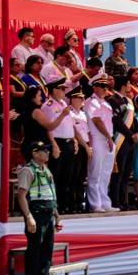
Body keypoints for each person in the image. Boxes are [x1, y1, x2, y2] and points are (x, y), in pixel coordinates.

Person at [15, 140, 62, 275]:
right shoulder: (28, 171)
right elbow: (21, 195)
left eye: (47, 151)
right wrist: (29, 217)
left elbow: (50, 192)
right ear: (34, 153)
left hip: (48, 214)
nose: (47, 153)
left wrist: (56, 214)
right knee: (34, 251)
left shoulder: (46, 170)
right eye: (44, 151)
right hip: (36, 214)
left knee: (46, 251)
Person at [41, 79, 77, 213]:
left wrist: (74, 139)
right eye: (61, 89)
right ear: (54, 90)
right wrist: (54, 145)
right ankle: (54, 206)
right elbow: (48, 127)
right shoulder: (48, 106)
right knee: (56, 175)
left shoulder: (63, 103)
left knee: (67, 175)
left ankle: (65, 205)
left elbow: (69, 124)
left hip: (68, 142)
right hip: (57, 142)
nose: (64, 91)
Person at [85, 77, 117, 213]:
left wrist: (110, 139)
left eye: (106, 86)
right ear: (94, 87)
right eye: (101, 86)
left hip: (107, 139)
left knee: (105, 174)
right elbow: (97, 121)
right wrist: (109, 138)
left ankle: (105, 202)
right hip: (98, 138)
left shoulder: (106, 103)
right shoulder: (91, 102)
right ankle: (95, 203)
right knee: (95, 172)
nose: (105, 89)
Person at [108, 78, 138, 210]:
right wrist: (130, 134)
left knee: (126, 174)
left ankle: (124, 200)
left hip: (130, 141)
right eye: (129, 84)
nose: (130, 86)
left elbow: (134, 120)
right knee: (118, 173)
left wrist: (137, 133)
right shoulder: (112, 100)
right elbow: (117, 121)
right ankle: (116, 200)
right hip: (120, 140)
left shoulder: (129, 101)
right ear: (124, 85)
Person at [68, 89, 91, 213]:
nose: (82, 100)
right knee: (74, 175)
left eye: (83, 98)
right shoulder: (70, 113)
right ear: (72, 99)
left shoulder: (82, 114)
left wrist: (89, 146)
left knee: (82, 176)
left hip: (85, 145)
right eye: (79, 98)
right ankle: (72, 203)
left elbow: (87, 132)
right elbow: (75, 132)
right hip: (77, 145)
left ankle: (80, 201)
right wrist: (86, 146)